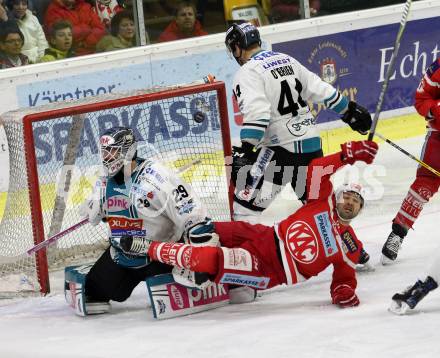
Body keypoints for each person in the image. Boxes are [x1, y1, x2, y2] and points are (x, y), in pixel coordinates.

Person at [120, 139, 379, 308]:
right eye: (347, 195)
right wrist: (346, 155)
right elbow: (315, 169)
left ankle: (148, 248)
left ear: (360, 209)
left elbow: (344, 279)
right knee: (203, 229)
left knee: (211, 258)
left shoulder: (349, 243)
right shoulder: (321, 200)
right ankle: (166, 259)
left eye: (356, 201)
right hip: (263, 235)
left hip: (268, 268)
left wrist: (343, 292)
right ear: (337, 195)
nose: (350, 202)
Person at [224, 22, 372, 223]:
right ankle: (348, 247)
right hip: (312, 146)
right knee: (318, 209)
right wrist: (348, 111)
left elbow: (258, 115)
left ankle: (242, 254)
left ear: (236, 47)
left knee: (244, 209)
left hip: (280, 151)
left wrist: (247, 148)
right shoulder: (285, 59)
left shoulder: (247, 72)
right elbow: (319, 88)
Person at [64, 126, 215, 316]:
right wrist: (98, 209)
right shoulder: (103, 184)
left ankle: (226, 278)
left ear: (128, 150)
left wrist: (199, 261)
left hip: (161, 256)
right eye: (104, 152)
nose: (107, 157)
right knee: (92, 294)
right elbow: (116, 216)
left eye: (112, 151)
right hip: (122, 256)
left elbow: (194, 216)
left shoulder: (156, 178)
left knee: (186, 288)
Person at [381, 58, 440, 264]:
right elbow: (421, 100)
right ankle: (398, 233)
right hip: (439, 137)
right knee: (423, 185)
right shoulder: (438, 69)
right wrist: (437, 109)